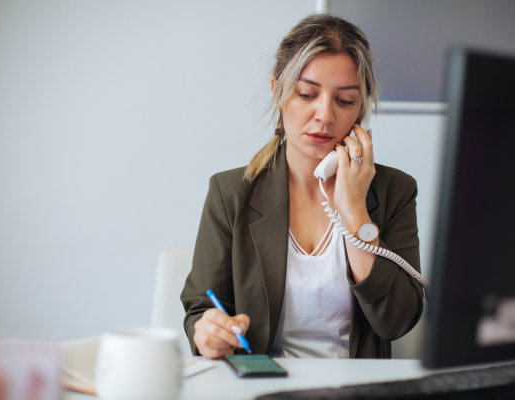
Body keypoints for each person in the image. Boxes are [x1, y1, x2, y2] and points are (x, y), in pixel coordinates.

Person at [181, 14, 423, 359]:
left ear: (361, 112)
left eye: (345, 101)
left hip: (356, 388)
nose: (324, 115)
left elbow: (396, 322)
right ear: (278, 91)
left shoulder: (394, 190)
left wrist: (354, 211)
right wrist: (207, 332)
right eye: (307, 94)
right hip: (263, 386)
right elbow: (201, 309)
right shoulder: (230, 192)